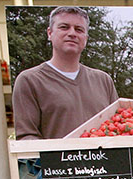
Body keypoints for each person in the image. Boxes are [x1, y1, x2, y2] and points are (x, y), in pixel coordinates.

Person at [12, 6, 118, 140]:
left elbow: (117, 128)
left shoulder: (104, 80)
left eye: (79, 29)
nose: (72, 33)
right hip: (57, 161)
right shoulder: (30, 80)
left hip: (104, 160)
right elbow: (27, 137)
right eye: (64, 27)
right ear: (49, 33)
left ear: (85, 38)